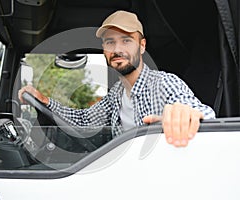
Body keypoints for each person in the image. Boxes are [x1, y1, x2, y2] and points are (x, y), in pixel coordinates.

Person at [18, 10, 215, 147]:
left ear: (142, 46)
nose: (117, 49)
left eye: (126, 40)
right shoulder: (116, 94)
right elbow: (84, 120)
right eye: (110, 42)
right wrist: (45, 101)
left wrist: (184, 114)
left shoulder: (163, 83)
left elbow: (203, 113)